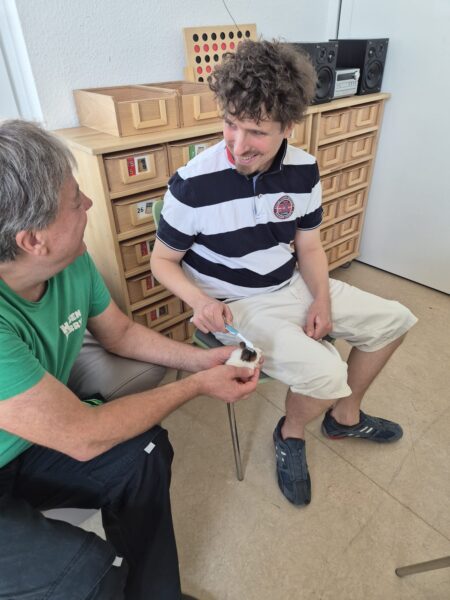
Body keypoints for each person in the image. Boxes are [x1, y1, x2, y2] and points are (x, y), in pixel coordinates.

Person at [150, 40, 418, 507]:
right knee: (328, 372)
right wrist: (200, 302)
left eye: (256, 131)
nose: (237, 145)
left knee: (394, 321)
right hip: (236, 308)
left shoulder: (304, 169)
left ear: (288, 126)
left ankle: (345, 417)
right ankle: (291, 433)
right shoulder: (192, 184)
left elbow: (308, 246)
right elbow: (162, 261)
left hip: (290, 283)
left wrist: (322, 300)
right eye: (230, 123)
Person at [0, 119, 260, 600]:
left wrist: (201, 362)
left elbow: (118, 333)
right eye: (75, 200)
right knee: (87, 572)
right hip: (30, 446)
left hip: (29, 442)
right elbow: (81, 436)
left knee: (145, 454)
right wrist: (197, 386)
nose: (89, 204)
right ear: (34, 240)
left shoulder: (70, 261)